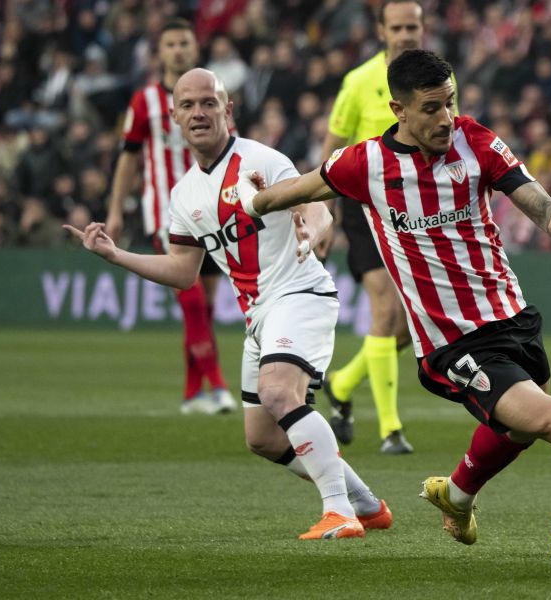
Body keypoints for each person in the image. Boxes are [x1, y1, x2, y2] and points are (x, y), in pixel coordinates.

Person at [239, 49, 551, 562]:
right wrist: (253, 201)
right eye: (431, 108)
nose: (445, 118)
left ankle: (455, 495)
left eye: (450, 103)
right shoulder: (365, 163)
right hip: (453, 342)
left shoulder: (473, 139)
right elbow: (298, 189)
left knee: (518, 427)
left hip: (512, 316)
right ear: (400, 110)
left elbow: (527, 191)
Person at [67, 68, 391, 540]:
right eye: (188, 105)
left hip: (300, 295)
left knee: (282, 393)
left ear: (227, 110)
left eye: (209, 102)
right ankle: (366, 504)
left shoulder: (262, 159)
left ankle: (339, 511)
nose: (199, 112)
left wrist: (312, 233)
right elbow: (183, 271)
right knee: (262, 437)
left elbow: (319, 205)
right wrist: (116, 255)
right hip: (259, 316)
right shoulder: (184, 196)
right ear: (175, 118)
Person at [318, 0, 446, 454]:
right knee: (386, 311)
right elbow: (332, 153)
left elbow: (446, 142)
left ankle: (343, 384)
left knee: (414, 324)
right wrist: (323, 215)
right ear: (381, 30)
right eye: (398, 27)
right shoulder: (358, 82)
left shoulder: (439, 79)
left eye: (413, 25)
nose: (407, 33)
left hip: (417, 212)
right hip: (365, 209)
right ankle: (391, 429)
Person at [105, 18, 235, 415]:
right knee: (191, 298)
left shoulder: (215, 94)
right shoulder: (144, 101)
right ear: (160, 52)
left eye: (184, 43)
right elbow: (127, 160)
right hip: (166, 211)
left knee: (205, 305)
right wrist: (114, 211)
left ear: (194, 48)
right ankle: (217, 384)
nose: (178, 50)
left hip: (211, 208)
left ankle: (192, 392)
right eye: (171, 44)